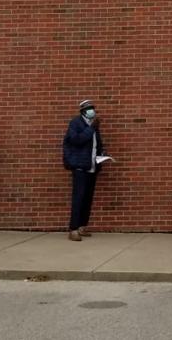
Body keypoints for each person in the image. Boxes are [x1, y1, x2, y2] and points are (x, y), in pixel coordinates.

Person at [63, 99, 107, 242]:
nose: (92, 111)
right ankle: (73, 229)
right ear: (82, 111)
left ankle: (82, 226)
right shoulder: (76, 123)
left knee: (87, 198)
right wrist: (91, 128)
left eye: (93, 108)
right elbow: (76, 140)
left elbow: (96, 145)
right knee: (79, 197)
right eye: (89, 109)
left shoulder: (94, 125)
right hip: (80, 166)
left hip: (92, 166)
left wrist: (102, 155)